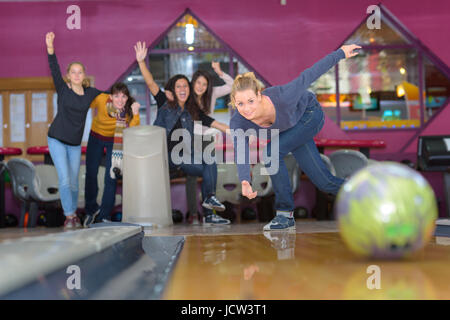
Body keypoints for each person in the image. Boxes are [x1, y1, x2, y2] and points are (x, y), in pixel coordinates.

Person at [229, 44, 361, 231]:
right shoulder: (238, 122)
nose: (247, 108)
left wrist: (340, 53)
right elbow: (241, 151)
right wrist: (244, 180)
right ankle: (364, 191)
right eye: (240, 103)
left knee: (270, 152)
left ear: (259, 95)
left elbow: (310, 74)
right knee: (324, 182)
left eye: (250, 101)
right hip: (291, 129)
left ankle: (284, 214)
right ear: (234, 102)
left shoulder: (283, 97)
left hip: (310, 115)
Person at [153, 73, 231, 225]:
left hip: (186, 154)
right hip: (168, 157)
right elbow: (151, 83)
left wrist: (231, 131)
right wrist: (141, 61)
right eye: (178, 87)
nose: (182, 89)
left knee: (210, 161)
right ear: (173, 90)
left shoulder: (191, 109)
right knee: (203, 166)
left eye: (185, 87)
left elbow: (210, 121)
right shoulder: (165, 104)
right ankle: (201, 212)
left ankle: (209, 210)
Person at [45, 31, 103, 229]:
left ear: (84, 76)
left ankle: (73, 214)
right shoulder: (63, 89)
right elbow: (54, 67)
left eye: (80, 72)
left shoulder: (90, 93)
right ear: (68, 76)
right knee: (64, 178)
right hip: (56, 139)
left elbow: (110, 97)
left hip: (75, 143)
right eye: (73, 72)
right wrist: (50, 48)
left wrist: (124, 103)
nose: (77, 75)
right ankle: (69, 216)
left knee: (75, 182)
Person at [83, 83, 140, 227]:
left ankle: (104, 215)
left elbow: (133, 130)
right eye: (116, 96)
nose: (120, 100)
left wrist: (136, 113)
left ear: (127, 98)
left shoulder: (128, 109)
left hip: (114, 140)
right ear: (110, 96)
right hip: (95, 136)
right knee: (91, 173)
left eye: (123, 96)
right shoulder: (101, 99)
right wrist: (83, 88)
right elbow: (84, 102)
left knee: (111, 176)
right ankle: (91, 210)